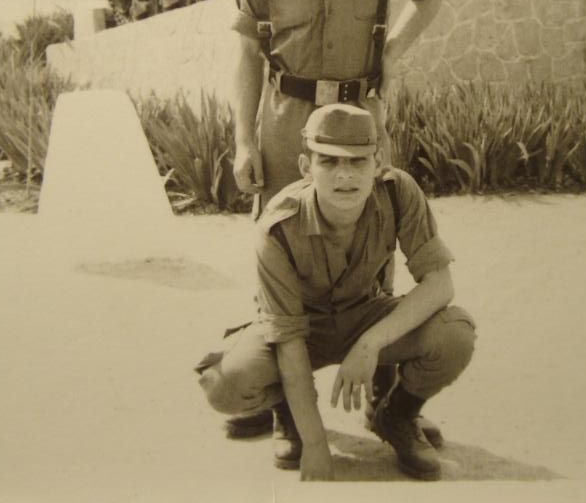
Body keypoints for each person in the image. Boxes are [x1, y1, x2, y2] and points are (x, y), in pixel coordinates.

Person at [224, 0, 444, 438]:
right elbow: (244, 50)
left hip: (360, 116)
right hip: (286, 118)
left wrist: (393, 52)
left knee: (373, 247)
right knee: (280, 249)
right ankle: (281, 403)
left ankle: (383, 397)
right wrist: (243, 139)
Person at [197, 104, 475, 481]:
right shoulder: (278, 227)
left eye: (358, 161)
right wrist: (315, 446)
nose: (344, 175)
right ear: (304, 167)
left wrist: (370, 344)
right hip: (298, 328)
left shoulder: (398, 193)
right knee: (222, 387)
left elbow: (440, 284)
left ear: (377, 163)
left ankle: (395, 415)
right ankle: (288, 415)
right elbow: (289, 338)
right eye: (328, 161)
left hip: (365, 315)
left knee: (455, 333)